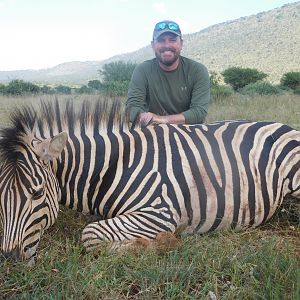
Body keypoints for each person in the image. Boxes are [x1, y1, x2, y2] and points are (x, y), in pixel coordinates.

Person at [126, 20, 211, 126]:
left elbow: (199, 112)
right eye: (161, 40)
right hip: (152, 132)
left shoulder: (198, 71)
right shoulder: (142, 70)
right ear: (153, 45)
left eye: (173, 40)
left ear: (181, 44)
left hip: (189, 134)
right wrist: (142, 117)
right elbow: (131, 108)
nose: (167, 45)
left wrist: (161, 119)